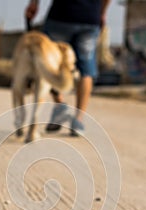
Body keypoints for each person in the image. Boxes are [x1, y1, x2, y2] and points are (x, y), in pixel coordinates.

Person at [26, 0, 111, 135]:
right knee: (86, 68)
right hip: (90, 19)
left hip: (61, 17)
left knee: (50, 65)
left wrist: (34, 3)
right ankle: (78, 120)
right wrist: (102, 13)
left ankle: (60, 104)